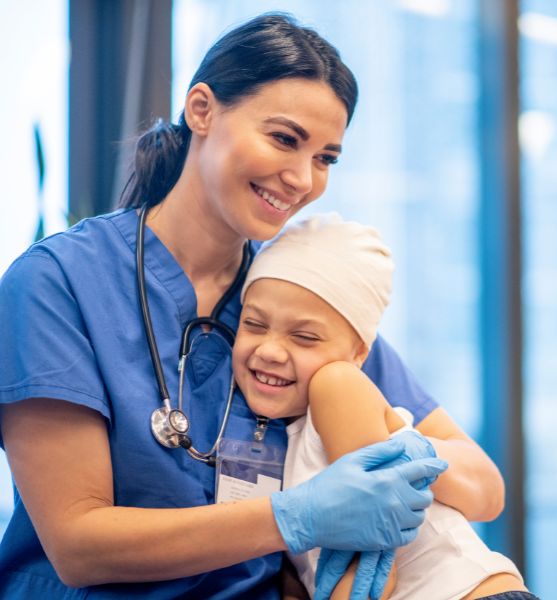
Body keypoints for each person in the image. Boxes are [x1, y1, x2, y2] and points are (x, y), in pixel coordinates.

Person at [0, 12, 503, 599]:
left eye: (325, 158)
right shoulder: (59, 283)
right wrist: (298, 515)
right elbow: (79, 543)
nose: (302, 178)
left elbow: (481, 482)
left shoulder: (295, 286)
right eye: (285, 139)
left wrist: (402, 454)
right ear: (202, 110)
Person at [233, 213, 536, 600]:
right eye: (254, 325)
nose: (270, 350)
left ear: (360, 352)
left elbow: (373, 563)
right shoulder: (289, 439)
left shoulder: (338, 387)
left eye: (305, 336)